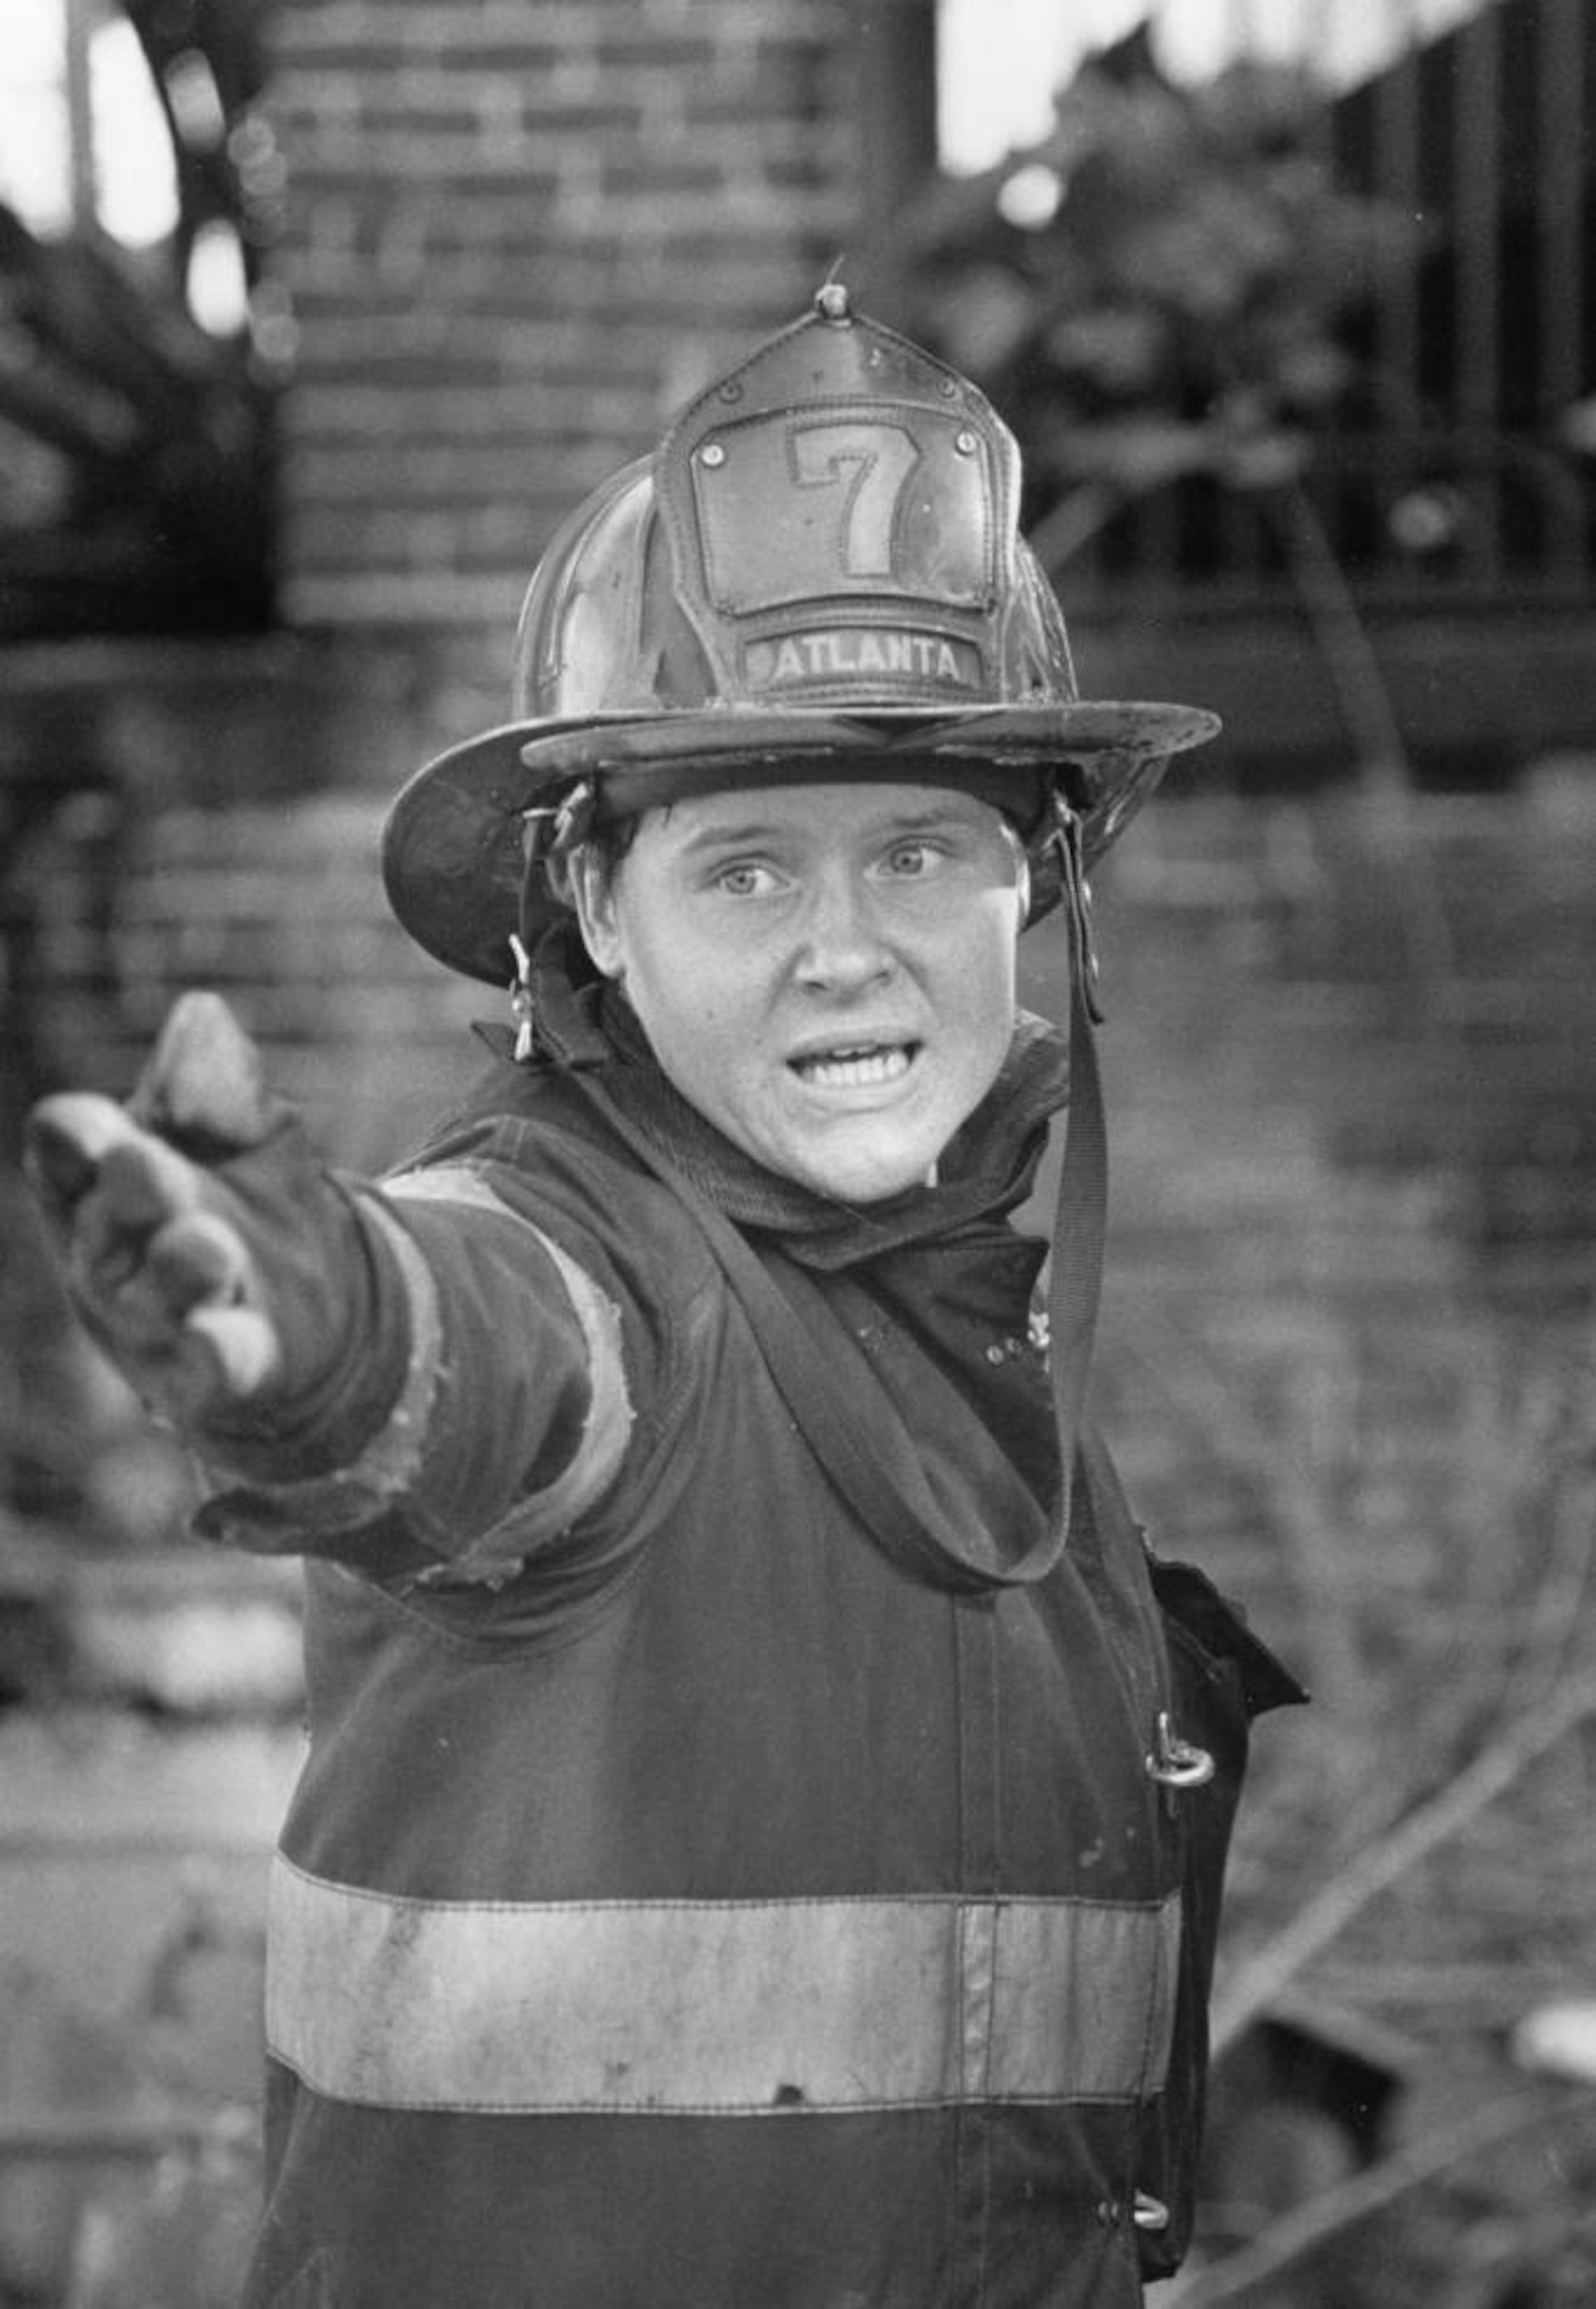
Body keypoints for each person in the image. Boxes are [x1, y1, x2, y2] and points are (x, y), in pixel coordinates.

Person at [26, 286, 1302, 2307]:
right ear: (593, 914)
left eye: (918, 852)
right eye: (746, 872)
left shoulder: (986, 1347)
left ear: (1038, 889)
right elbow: (488, 1348)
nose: (849, 950)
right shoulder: (588, 1255)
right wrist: (327, 1332)